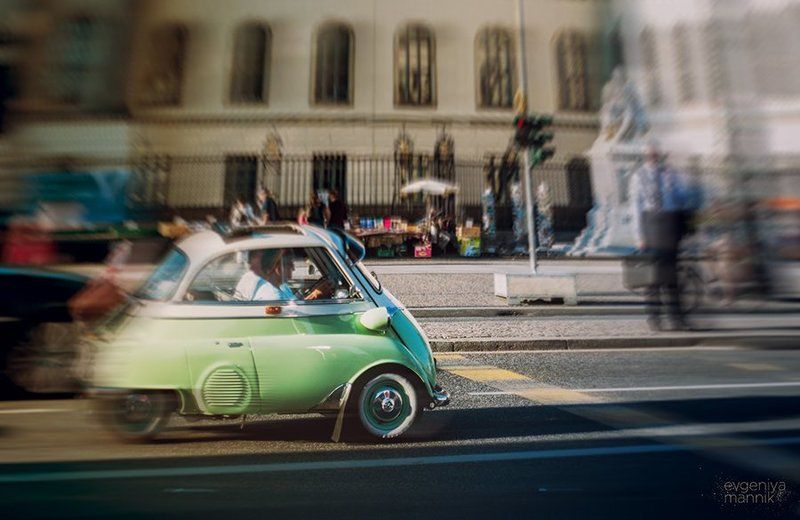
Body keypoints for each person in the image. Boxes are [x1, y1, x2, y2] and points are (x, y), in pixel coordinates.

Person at [630, 144, 696, 331]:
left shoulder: (670, 174)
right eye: (649, 155)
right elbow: (635, 208)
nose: (653, 157)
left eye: (655, 154)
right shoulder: (638, 176)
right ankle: (655, 318)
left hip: (669, 227)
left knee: (672, 278)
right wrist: (639, 236)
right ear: (645, 156)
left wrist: (683, 190)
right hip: (650, 228)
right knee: (653, 279)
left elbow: (681, 197)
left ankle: (676, 319)